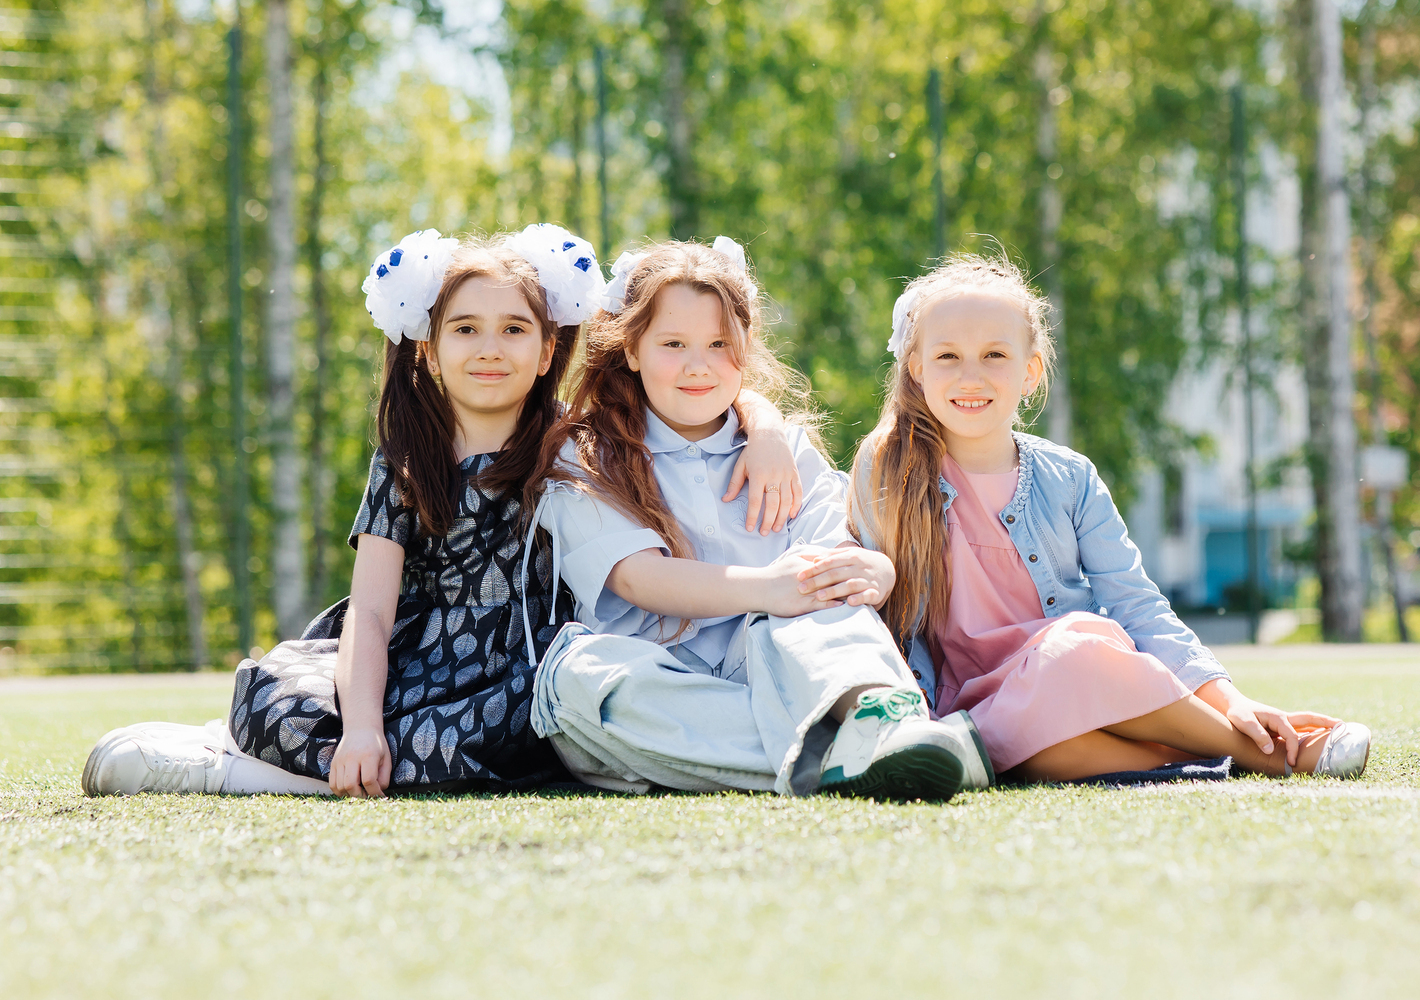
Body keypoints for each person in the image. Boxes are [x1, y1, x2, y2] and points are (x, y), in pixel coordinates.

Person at [83, 225, 803, 798]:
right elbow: (370, 612)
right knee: (279, 698)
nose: (490, 349)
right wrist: (362, 727)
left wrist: (766, 427)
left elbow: (695, 385)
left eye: (514, 330)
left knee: (499, 737)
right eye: (466, 330)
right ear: (428, 349)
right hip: (413, 661)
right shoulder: (406, 459)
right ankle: (287, 750)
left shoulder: (571, 439)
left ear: (549, 347)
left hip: (523, 672)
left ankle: (229, 775)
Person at [849, 252, 1372, 782]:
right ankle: (1237, 755)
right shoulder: (888, 466)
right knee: (1038, 751)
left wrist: (1228, 696)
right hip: (978, 707)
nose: (971, 376)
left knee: (1073, 647)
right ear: (916, 369)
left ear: (1030, 372)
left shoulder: (1070, 477)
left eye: (994, 354)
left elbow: (1136, 603)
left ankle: (1257, 744)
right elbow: (875, 611)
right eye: (947, 357)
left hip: (1079, 670)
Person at [524, 237, 994, 802]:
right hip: (666, 679)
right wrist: (770, 588)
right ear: (632, 349)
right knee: (579, 680)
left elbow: (831, 557)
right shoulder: (586, 454)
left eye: (720, 343)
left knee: (816, 598)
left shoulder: (781, 447)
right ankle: (848, 752)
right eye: (673, 343)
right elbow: (638, 579)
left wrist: (874, 569)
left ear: (745, 347)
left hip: (784, 664)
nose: (699, 365)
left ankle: (878, 726)